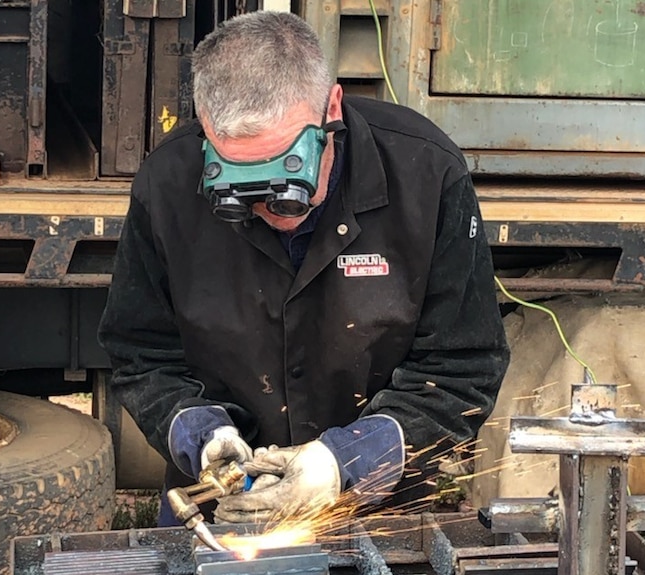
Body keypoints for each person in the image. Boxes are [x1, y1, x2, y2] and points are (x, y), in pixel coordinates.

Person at [98, 10, 509, 526]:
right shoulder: (169, 185)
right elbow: (141, 356)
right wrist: (203, 434)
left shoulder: (427, 176)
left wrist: (345, 462)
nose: (272, 212)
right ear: (207, 132)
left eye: (288, 183)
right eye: (242, 192)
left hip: (376, 512)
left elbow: (462, 371)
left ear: (330, 109)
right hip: (225, 512)